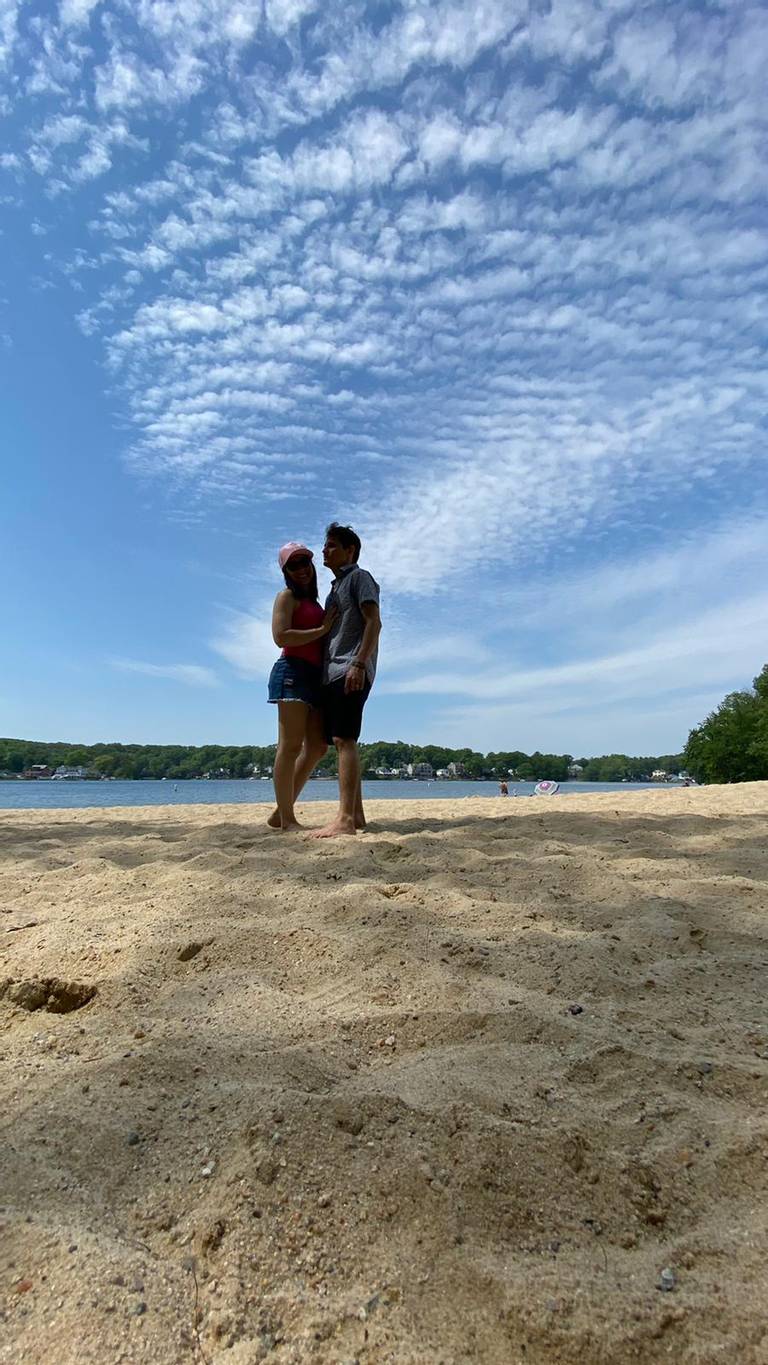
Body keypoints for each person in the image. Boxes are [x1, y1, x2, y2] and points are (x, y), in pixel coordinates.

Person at [309, 523, 381, 839]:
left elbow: (374, 623)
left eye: (331, 545)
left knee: (344, 740)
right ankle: (358, 814)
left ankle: (345, 819)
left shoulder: (360, 578)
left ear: (349, 550)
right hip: (333, 671)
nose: (324, 551)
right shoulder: (334, 589)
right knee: (341, 740)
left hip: (351, 669)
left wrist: (358, 662)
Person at [266, 543, 336, 832]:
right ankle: (287, 819)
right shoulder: (287, 597)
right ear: (286, 572)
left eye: (305, 562)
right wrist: (321, 630)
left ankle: (280, 811)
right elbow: (280, 636)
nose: (302, 569)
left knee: (318, 747)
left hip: (315, 677)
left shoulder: (316, 603)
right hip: (292, 671)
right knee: (290, 746)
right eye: (293, 565)